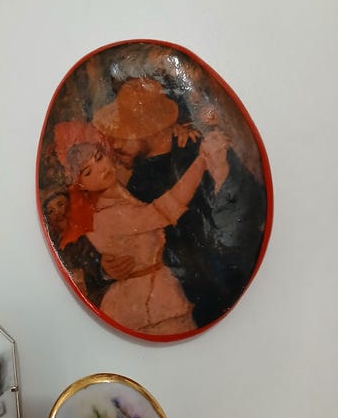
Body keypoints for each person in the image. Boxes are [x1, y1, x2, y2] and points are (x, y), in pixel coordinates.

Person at [92, 78, 267, 326]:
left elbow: (251, 209)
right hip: (179, 302)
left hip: (228, 298)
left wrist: (221, 174)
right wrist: (108, 266)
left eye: (124, 132)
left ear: (149, 128)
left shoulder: (204, 149)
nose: (116, 143)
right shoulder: (137, 181)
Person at [52, 121, 223, 336]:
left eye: (99, 158)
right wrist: (201, 162)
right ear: (81, 184)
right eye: (88, 172)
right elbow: (164, 210)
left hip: (160, 289)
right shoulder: (105, 216)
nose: (100, 169)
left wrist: (179, 134)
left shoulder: (126, 191)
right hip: (141, 305)